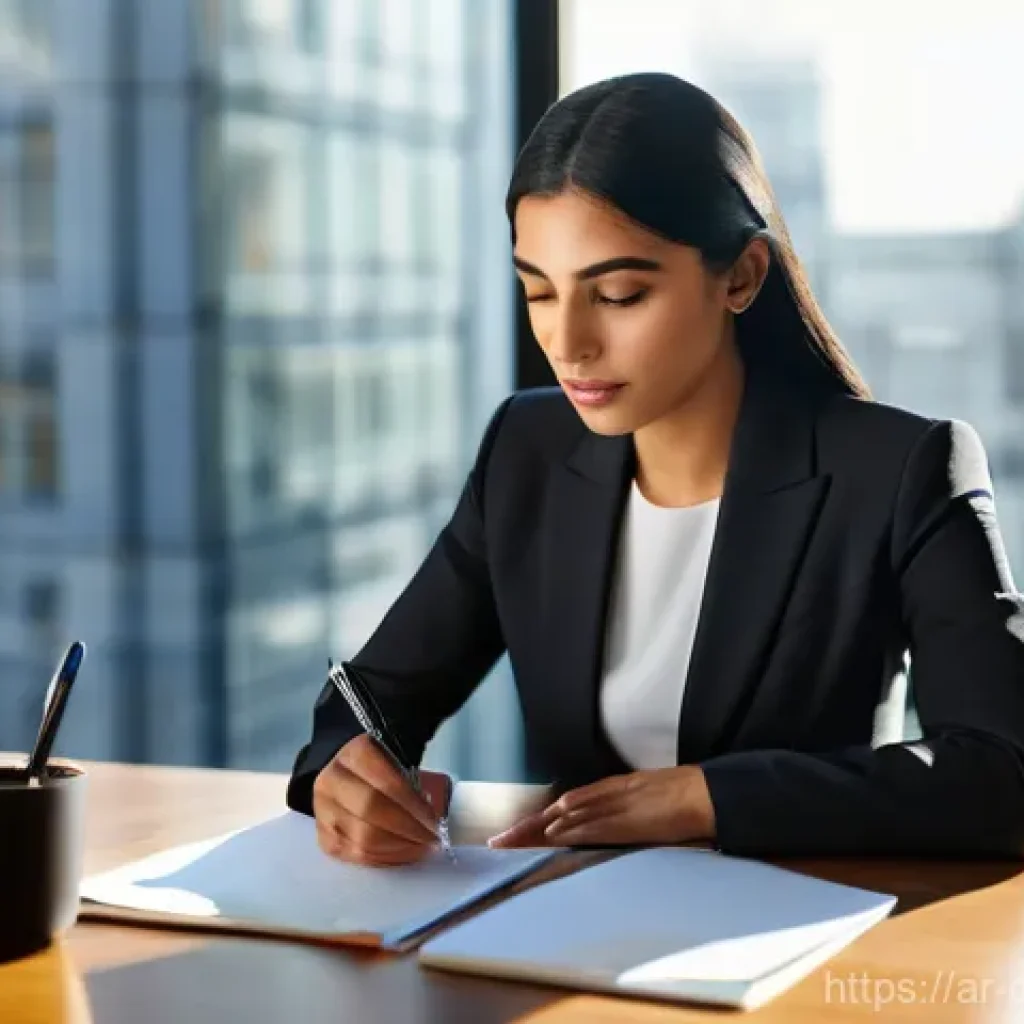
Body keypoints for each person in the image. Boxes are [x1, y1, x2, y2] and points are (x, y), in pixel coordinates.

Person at [286, 71, 1024, 866]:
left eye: (618, 295)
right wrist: (343, 770)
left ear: (740, 276)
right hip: (568, 916)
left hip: (802, 917)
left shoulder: (904, 471)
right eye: (539, 293)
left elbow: (999, 771)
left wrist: (706, 797)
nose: (568, 344)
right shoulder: (527, 450)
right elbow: (373, 698)